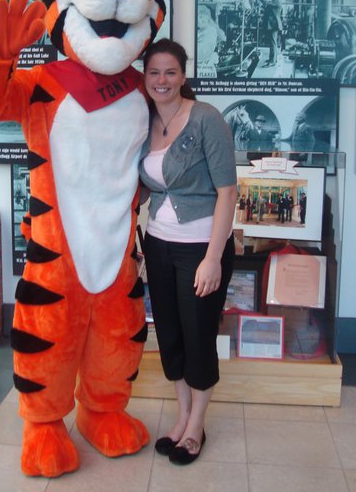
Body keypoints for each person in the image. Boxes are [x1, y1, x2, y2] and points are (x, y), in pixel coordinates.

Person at [138, 38, 237, 466]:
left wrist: (213, 257)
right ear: (144, 78)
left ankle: (196, 425)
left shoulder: (206, 119)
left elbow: (227, 191)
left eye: (170, 72)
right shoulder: (142, 122)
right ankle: (180, 417)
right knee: (171, 335)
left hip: (201, 247)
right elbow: (144, 184)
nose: (162, 81)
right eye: (154, 72)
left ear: (183, 76)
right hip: (158, 244)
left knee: (198, 338)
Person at [262, 0, 284, 67]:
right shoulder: (275, 0)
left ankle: (272, 61)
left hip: (274, 25)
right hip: (272, 25)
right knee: (272, 43)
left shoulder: (277, 0)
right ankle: (272, 59)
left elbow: (267, 3)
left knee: (273, 43)